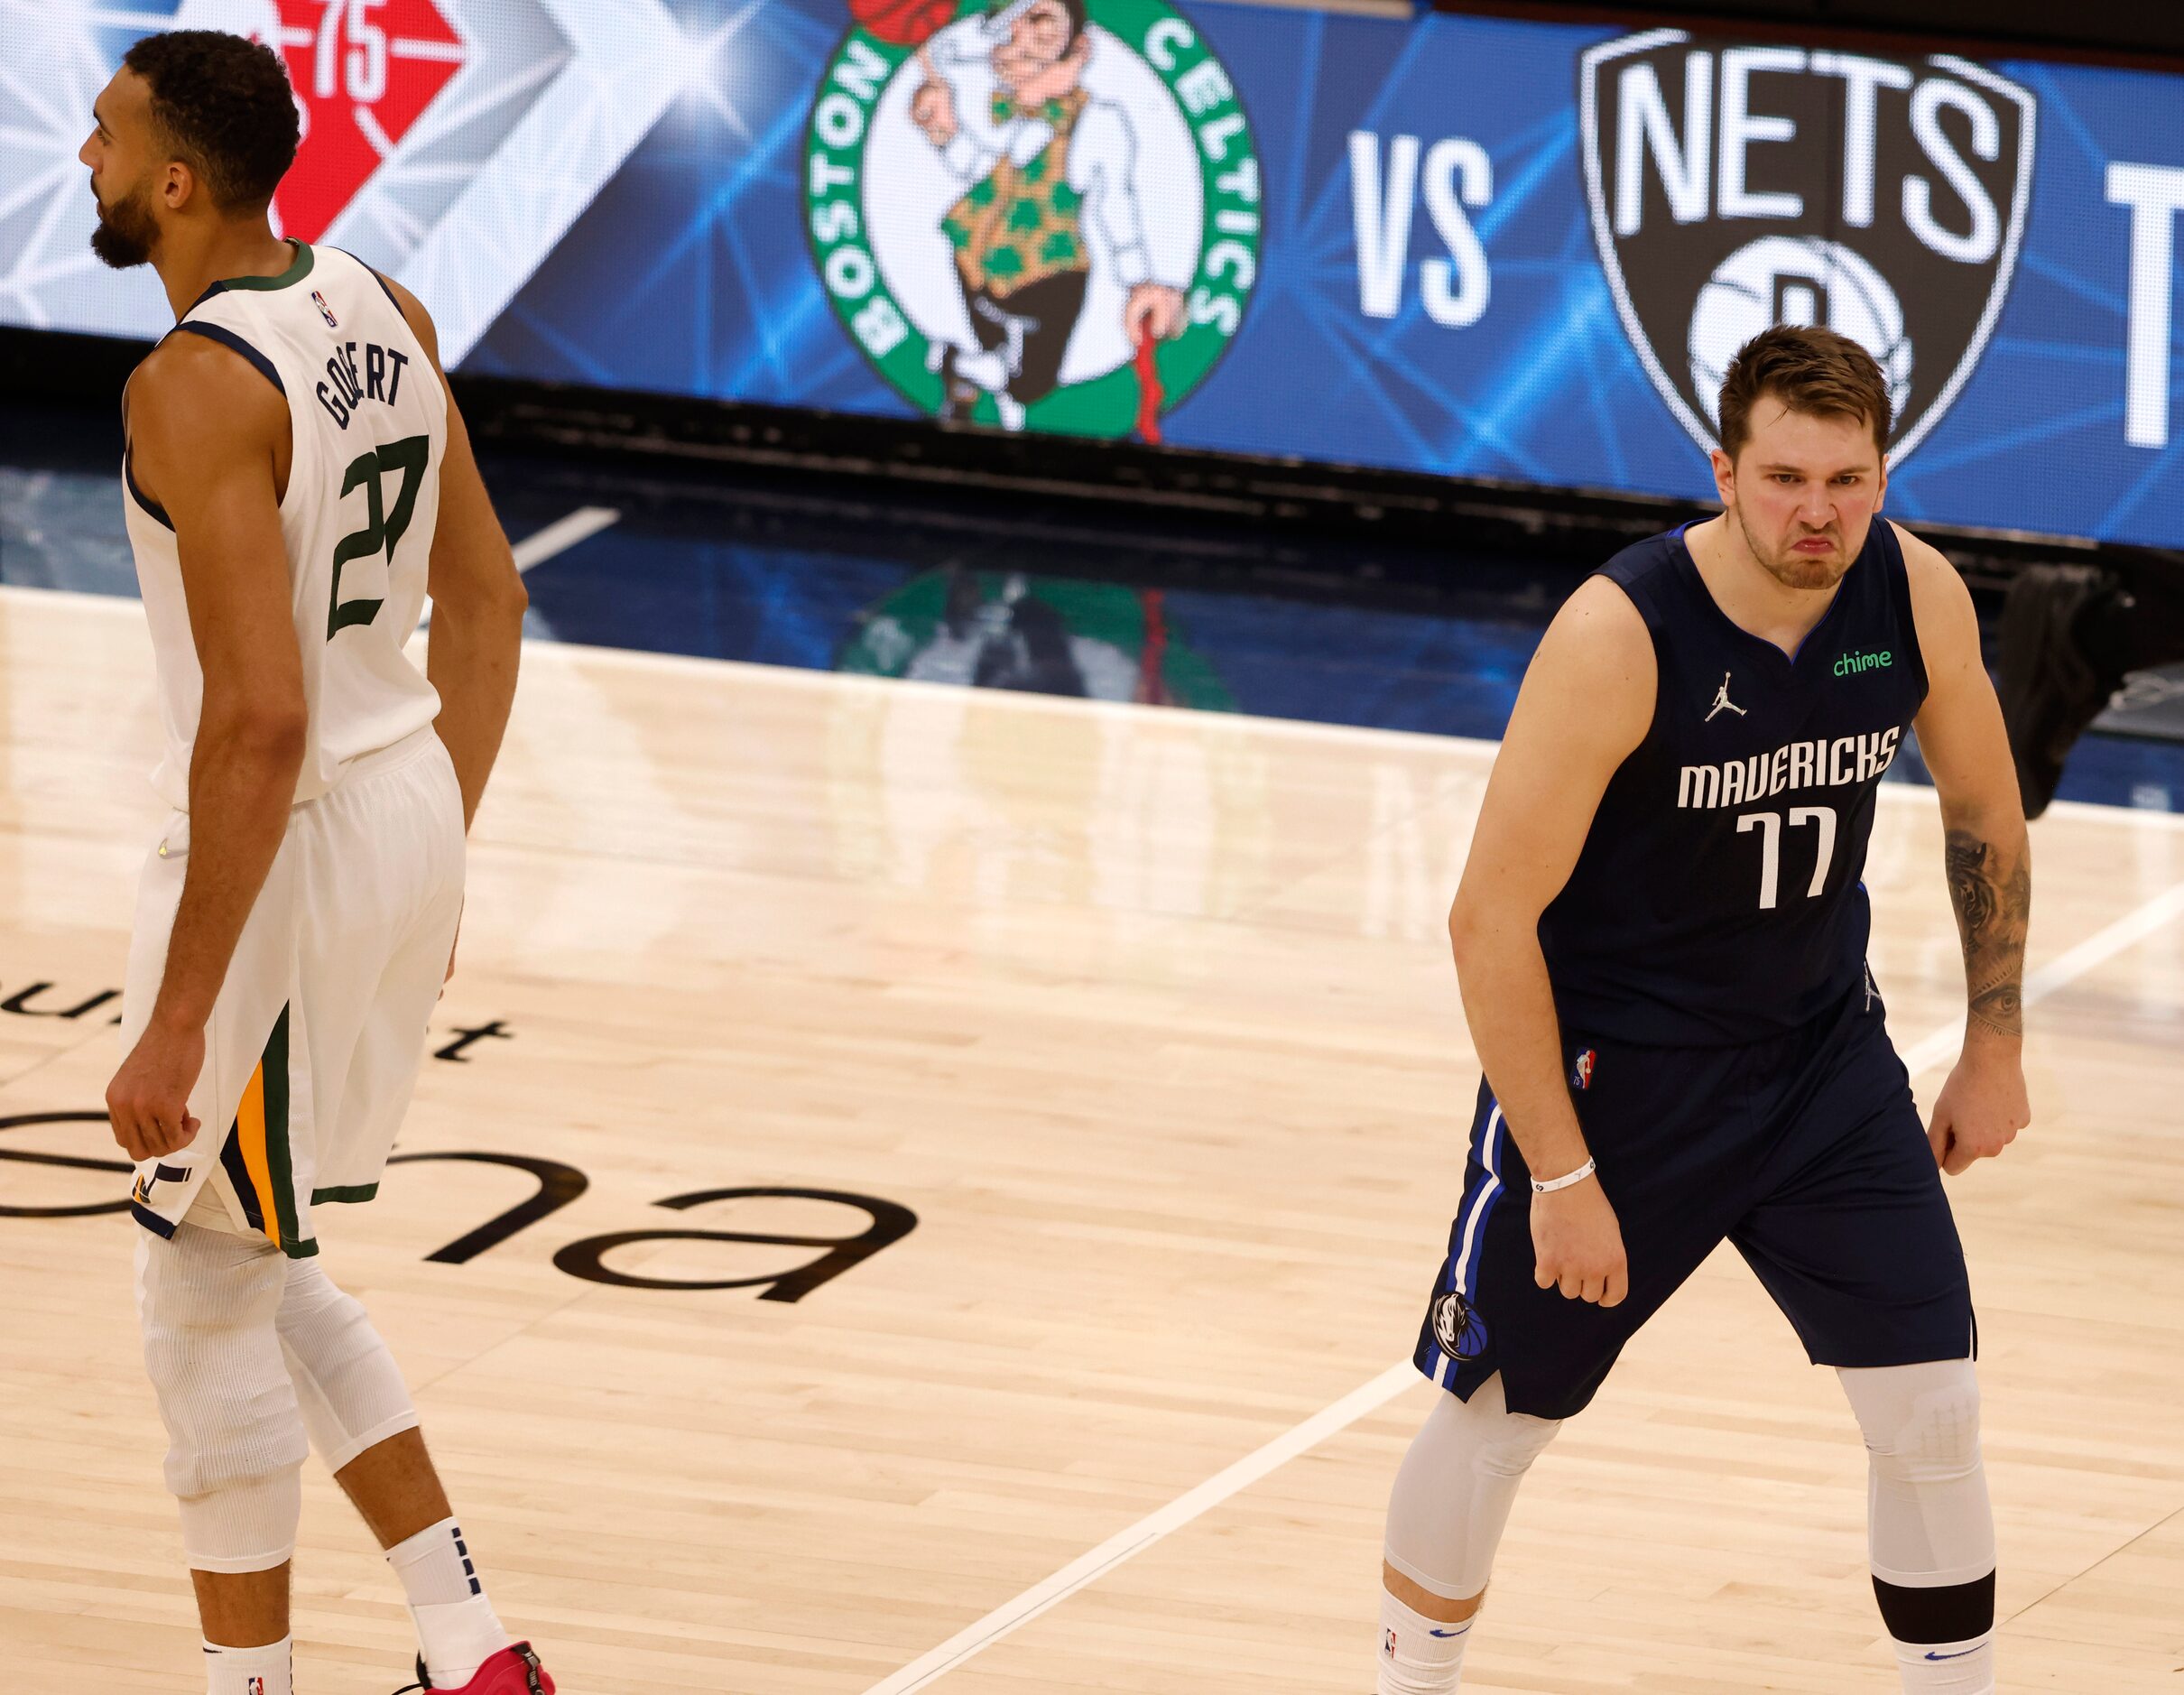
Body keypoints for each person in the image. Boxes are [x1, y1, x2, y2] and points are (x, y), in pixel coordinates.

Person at [1378, 326, 2030, 1695]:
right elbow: (1487, 918)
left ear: (1882, 471)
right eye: (1786, 476)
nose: (1819, 511)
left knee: (1935, 1406)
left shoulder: (1914, 593)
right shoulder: (1622, 633)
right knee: (1494, 1413)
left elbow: (1982, 805)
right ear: (1722, 472)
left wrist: (1994, 1042)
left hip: (1821, 1063)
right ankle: (1409, 1679)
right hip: (1623, 1081)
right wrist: (1558, 1169)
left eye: (1849, 479)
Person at [82, 31, 549, 1695]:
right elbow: (488, 602)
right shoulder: (386, 309)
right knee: (249, 1254)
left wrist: (177, 1015)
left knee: (194, 1300)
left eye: (111, 135)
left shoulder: (189, 386)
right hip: (404, 800)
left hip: (296, 841)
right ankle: (470, 1640)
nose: (87, 156)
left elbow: (260, 722)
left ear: (180, 183)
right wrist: (437, 867)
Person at [910, 0, 1185, 430]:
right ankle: (970, 385)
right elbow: (984, 171)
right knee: (1011, 376)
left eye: (1039, 24)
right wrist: (943, 131)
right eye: (1009, 31)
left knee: (1029, 383)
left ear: (1077, 49)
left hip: (1044, 279)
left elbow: (1116, 202)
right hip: (975, 266)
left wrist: (1139, 281)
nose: (1019, 42)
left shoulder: (1098, 121)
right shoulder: (1005, 111)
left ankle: (962, 367)